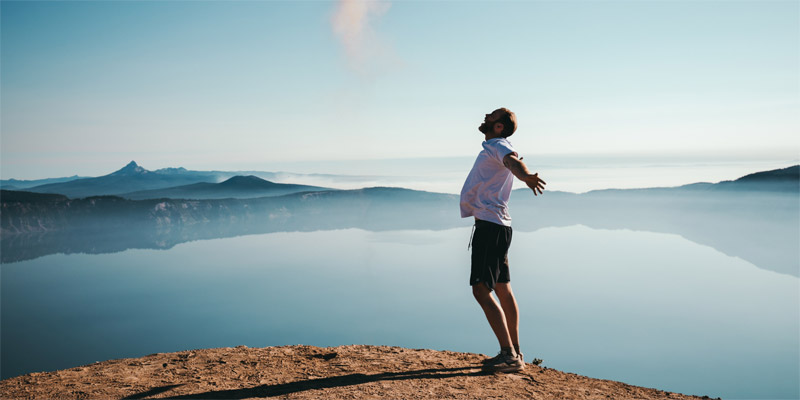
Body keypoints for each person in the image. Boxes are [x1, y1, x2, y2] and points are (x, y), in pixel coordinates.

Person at [460, 107, 546, 373]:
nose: (486, 116)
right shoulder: (497, 145)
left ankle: (508, 355)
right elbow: (511, 161)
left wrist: (525, 176)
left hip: (490, 226)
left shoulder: (498, 145)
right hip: (497, 225)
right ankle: (515, 351)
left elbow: (513, 162)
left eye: (491, 116)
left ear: (498, 127)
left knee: (480, 289)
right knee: (501, 287)